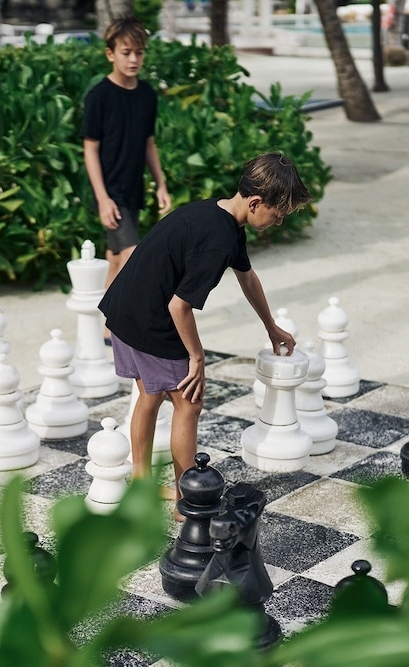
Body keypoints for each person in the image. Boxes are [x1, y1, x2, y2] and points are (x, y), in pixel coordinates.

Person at [98, 152, 312, 518]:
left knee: (149, 395)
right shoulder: (217, 241)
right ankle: (188, 501)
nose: (277, 223)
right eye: (277, 216)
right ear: (257, 202)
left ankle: (141, 482)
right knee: (189, 401)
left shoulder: (217, 215)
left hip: (124, 307)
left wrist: (271, 325)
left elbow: (247, 276)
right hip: (151, 318)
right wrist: (197, 358)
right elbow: (178, 307)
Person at [81, 17, 172, 342]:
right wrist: (103, 198)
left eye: (139, 52)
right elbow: (90, 149)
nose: (133, 59)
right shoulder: (99, 96)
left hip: (133, 189)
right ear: (110, 54)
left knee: (117, 259)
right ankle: (120, 326)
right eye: (126, 52)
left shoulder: (147, 94)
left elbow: (149, 143)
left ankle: (101, 328)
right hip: (110, 192)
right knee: (133, 255)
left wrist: (160, 183)